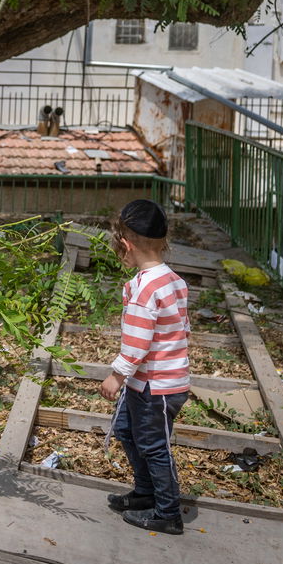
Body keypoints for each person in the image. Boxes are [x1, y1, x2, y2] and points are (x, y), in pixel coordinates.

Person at [98, 199, 190, 535]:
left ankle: (167, 512)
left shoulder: (145, 290)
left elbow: (137, 343)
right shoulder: (172, 280)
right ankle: (146, 492)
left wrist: (116, 375)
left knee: (153, 445)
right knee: (126, 431)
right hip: (156, 382)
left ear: (125, 245)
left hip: (155, 386)